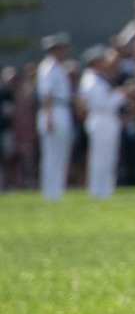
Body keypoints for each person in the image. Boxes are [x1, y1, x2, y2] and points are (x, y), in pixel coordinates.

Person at [79, 47, 128, 198]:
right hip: (101, 118)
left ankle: (106, 189)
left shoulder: (100, 78)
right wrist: (122, 94)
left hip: (107, 118)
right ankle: (97, 190)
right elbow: (103, 103)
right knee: (100, 157)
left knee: (109, 157)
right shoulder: (91, 79)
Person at [35, 33, 75, 199]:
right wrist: (48, 117)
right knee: (51, 154)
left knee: (60, 153)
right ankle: (50, 191)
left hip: (61, 108)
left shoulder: (58, 67)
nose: (64, 51)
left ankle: (57, 190)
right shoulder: (48, 67)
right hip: (53, 110)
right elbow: (47, 94)